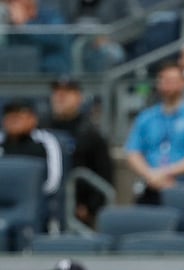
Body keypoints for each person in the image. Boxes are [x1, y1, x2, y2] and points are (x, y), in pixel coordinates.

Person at [125, 62, 184, 205]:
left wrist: (167, 173)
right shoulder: (147, 117)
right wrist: (151, 175)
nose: (166, 85)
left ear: (183, 83)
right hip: (150, 187)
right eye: (162, 80)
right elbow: (133, 152)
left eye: (172, 80)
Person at [40, 77, 114, 229]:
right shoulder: (41, 129)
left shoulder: (90, 133)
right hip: (45, 201)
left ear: (79, 98)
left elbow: (103, 173)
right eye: (57, 93)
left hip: (78, 205)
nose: (60, 97)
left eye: (67, 93)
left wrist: (91, 207)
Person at [0, 99, 63, 233]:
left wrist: (31, 194)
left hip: (39, 202)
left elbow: (53, 182)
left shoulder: (45, 142)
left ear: (33, 119)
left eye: (19, 115)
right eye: (10, 115)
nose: (13, 120)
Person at [3, 0, 72, 73]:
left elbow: (55, 37)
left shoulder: (51, 14)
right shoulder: (12, 24)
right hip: (22, 73)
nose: (13, 8)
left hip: (52, 74)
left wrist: (25, 25)